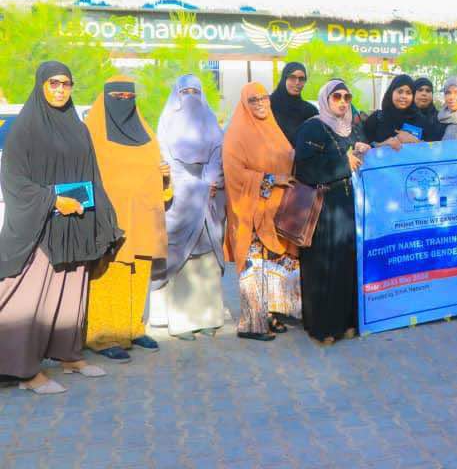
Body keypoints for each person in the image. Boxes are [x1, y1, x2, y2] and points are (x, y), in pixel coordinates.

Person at [0, 62, 122, 394]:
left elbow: (93, 173)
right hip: (42, 225)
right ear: (41, 85)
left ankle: (69, 356)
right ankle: (25, 371)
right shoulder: (24, 128)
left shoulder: (77, 127)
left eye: (66, 84)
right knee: (31, 299)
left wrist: (104, 216)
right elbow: (13, 182)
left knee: (70, 293)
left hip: (77, 221)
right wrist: (54, 200)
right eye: (53, 83)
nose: (59, 89)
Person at [84, 76, 170, 362]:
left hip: (143, 216)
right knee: (111, 274)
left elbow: (158, 172)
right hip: (111, 219)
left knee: (139, 270)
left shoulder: (145, 132)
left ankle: (133, 328)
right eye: (117, 96)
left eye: (128, 97)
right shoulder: (93, 133)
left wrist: (165, 176)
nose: (124, 102)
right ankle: (103, 335)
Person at [223, 82, 301, 342]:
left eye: (263, 98)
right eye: (253, 100)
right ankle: (251, 324)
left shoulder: (273, 128)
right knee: (254, 268)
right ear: (245, 103)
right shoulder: (237, 133)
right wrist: (270, 179)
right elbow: (234, 174)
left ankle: (270, 314)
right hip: (250, 212)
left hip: (276, 211)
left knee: (273, 266)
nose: (260, 103)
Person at [150, 75, 226, 341]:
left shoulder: (210, 120)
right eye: (186, 91)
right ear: (176, 94)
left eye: (196, 91)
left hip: (208, 200)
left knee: (207, 259)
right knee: (181, 259)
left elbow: (218, 153)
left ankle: (208, 318)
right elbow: (166, 161)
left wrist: (210, 182)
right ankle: (182, 322)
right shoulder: (167, 122)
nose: (191, 96)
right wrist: (192, 189)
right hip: (181, 201)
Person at [295, 80, 370, 344]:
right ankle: (323, 328)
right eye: (336, 96)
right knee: (325, 267)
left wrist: (365, 150)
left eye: (346, 97)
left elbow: (360, 157)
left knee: (348, 265)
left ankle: (347, 322)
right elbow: (303, 168)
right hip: (325, 209)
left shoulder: (353, 127)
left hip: (350, 208)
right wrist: (342, 163)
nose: (342, 101)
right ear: (326, 99)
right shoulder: (313, 127)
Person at [364, 74, 434, 147]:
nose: (404, 96)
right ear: (391, 93)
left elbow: (430, 149)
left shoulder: (421, 120)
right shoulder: (377, 119)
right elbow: (363, 148)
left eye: (408, 93)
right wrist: (383, 144)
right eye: (400, 92)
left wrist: (415, 142)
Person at [270, 62, 318, 145]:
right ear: (284, 78)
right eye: (292, 77)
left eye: (301, 79)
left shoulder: (310, 111)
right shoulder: (268, 105)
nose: (297, 82)